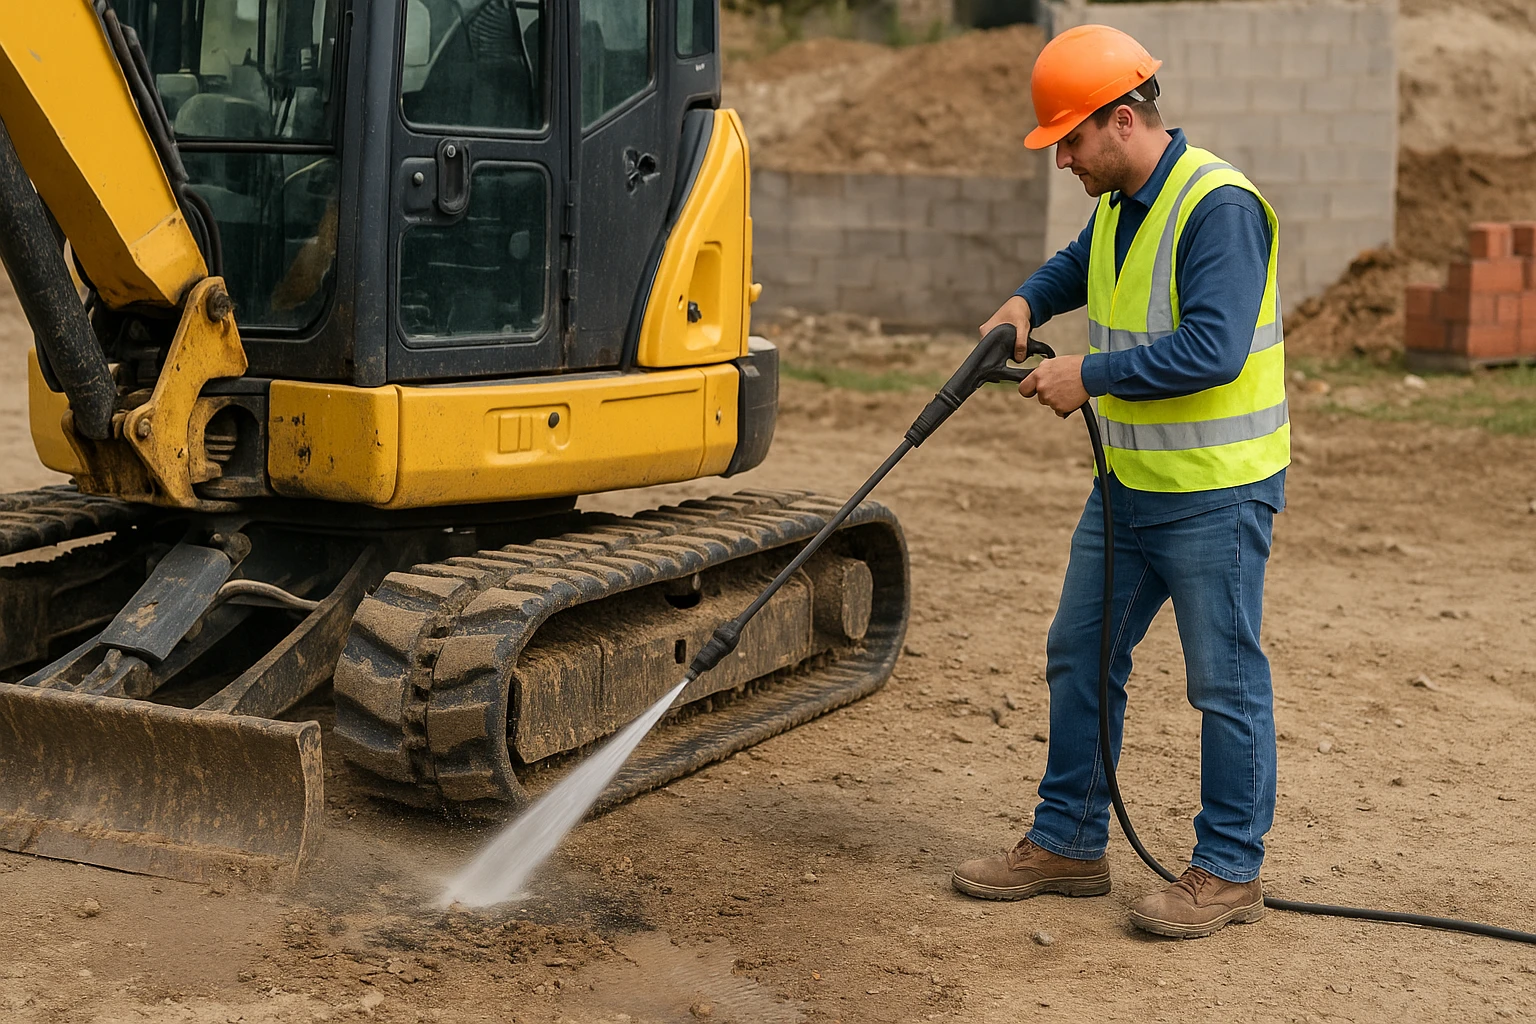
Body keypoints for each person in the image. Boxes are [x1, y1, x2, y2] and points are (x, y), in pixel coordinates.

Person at [950, 24, 1288, 939]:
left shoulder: (1216, 206)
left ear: (1125, 120)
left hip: (1215, 491)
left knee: (1223, 683)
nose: (1062, 159)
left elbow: (1214, 348)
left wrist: (1089, 375)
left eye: (1071, 140)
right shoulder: (1120, 202)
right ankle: (1069, 841)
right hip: (1129, 488)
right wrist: (1027, 300)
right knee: (1081, 652)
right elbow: (1082, 262)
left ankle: (1229, 868)